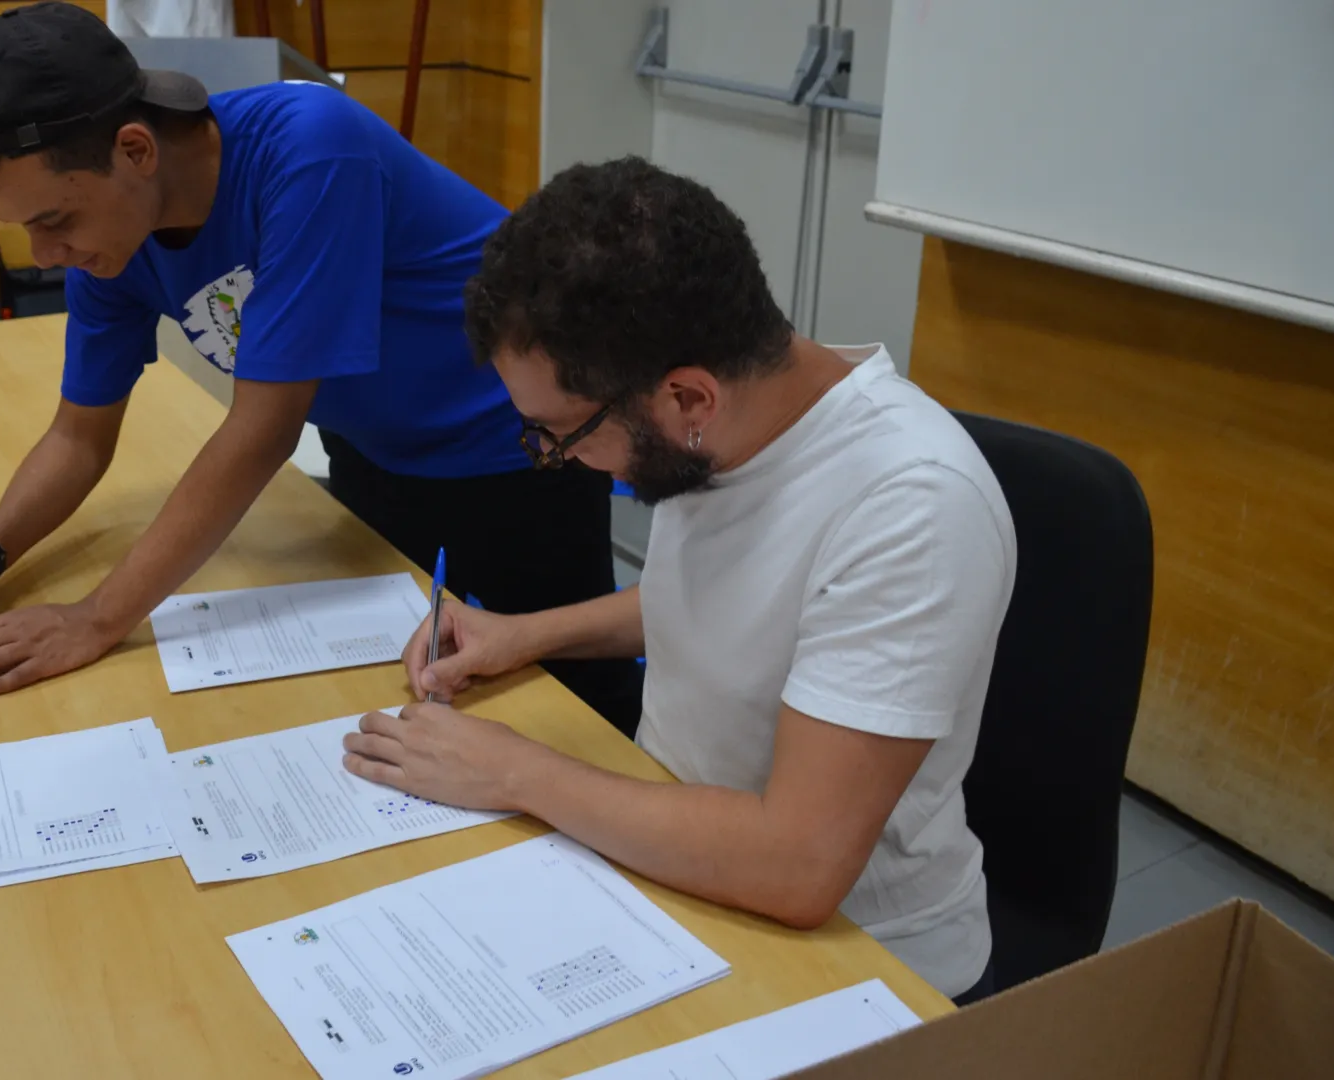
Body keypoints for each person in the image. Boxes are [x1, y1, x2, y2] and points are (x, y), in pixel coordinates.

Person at [339, 158, 1017, 1003]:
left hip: (858, 963)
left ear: (688, 400)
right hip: (671, 866)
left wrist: (514, 772)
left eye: (559, 435)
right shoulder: (728, 421)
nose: (555, 459)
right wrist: (527, 633)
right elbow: (739, 603)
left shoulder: (911, 506)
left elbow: (798, 865)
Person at [0, 2, 638, 724]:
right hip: (376, 457)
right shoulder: (110, 243)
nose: (47, 253)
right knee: (407, 698)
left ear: (135, 150)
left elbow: (263, 430)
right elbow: (78, 436)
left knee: (574, 713)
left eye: (55, 220)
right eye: (27, 228)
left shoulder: (309, 150)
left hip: (520, 458)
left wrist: (96, 619)